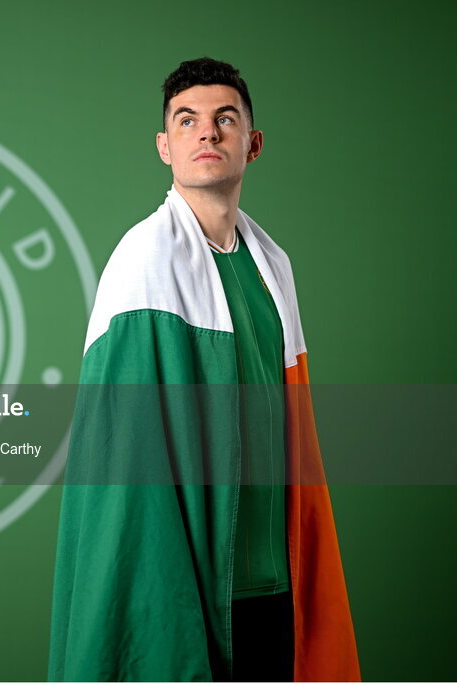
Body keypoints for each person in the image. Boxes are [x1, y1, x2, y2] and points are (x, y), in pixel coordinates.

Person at [47, 58, 361, 682]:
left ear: (253, 142)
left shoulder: (273, 266)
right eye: (187, 121)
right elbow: (126, 455)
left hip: (275, 588)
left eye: (225, 119)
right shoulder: (143, 262)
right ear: (166, 146)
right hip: (189, 588)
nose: (207, 134)